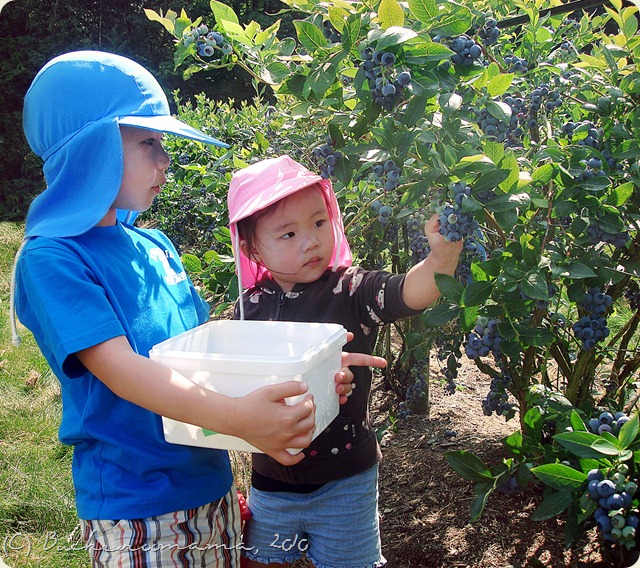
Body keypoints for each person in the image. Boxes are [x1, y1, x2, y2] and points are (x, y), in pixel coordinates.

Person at [9, 51, 385, 568]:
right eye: (150, 142)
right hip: (137, 506)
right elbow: (121, 371)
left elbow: (209, 349)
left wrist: (306, 371)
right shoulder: (54, 259)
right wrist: (242, 420)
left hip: (210, 486)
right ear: (90, 148)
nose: (165, 159)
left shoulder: (155, 246)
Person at [228, 155, 463, 568]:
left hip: (345, 484)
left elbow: (408, 292)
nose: (311, 241)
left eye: (319, 223)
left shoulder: (350, 289)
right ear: (252, 248)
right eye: (288, 234)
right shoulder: (249, 309)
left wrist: (440, 261)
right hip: (271, 481)